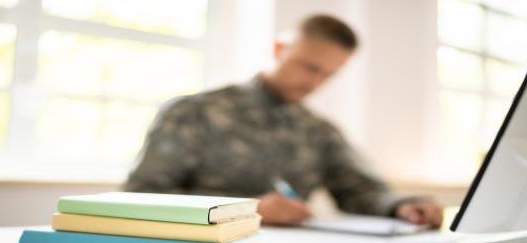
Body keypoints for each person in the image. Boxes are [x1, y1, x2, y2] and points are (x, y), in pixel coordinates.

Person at [123, 14, 443, 227]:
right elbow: (140, 196)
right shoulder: (192, 113)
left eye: (330, 75)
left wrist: (403, 205)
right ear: (280, 48)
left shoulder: (319, 131)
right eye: (309, 67)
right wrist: (247, 209)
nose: (316, 83)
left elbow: (359, 190)